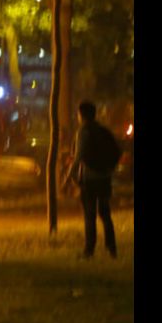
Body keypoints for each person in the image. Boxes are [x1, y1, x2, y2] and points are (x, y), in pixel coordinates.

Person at [63, 101, 118, 259]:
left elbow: (78, 157)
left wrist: (68, 177)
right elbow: (116, 151)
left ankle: (89, 250)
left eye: (78, 114)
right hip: (104, 178)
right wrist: (108, 170)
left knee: (90, 214)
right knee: (105, 214)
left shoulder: (83, 131)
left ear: (82, 115)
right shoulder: (103, 130)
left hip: (89, 179)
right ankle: (112, 248)